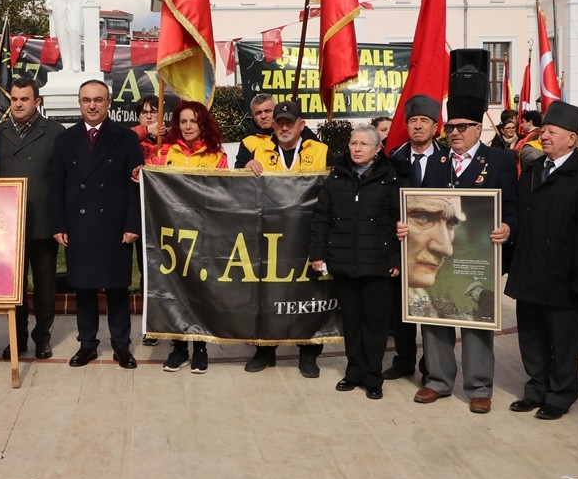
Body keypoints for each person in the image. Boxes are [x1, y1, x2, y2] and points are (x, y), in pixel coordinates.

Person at [407, 51, 517, 415]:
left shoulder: (499, 160)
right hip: (437, 253)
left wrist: (508, 227)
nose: (453, 133)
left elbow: (512, 206)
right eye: (450, 127)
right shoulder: (434, 161)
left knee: (476, 315)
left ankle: (479, 386)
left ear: (477, 129)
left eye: (462, 127)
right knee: (434, 312)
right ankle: (437, 380)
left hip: (478, 255)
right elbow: (416, 204)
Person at [505, 100, 578, 420]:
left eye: (551, 132)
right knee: (531, 335)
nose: (544, 136)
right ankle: (536, 388)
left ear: (572, 139)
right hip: (528, 268)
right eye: (543, 131)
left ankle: (561, 394)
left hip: (562, 275)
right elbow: (521, 217)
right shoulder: (533, 171)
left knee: (563, 341)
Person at [50, 79, 144, 369]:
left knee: (116, 288)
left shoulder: (126, 138)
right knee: (84, 288)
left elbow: (135, 187)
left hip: (115, 226)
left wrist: (133, 225)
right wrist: (58, 224)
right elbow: (57, 186)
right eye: (86, 100)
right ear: (80, 103)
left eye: (98, 100)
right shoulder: (65, 140)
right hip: (79, 225)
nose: (92, 105)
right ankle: (87, 344)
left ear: (109, 103)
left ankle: (121, 346)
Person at [310, 124, 400, 399]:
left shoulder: (391, 178)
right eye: (353, 143)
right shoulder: (336, 176)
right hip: (344, 261)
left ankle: (373, 377)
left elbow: (400, 222)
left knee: (375, 324)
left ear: (377, 149)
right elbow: (322, 217)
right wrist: (318, 253)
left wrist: (396, 256)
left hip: (378, 263)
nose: (357, 148)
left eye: (364, 144)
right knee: (351, 321)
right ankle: (354, 372)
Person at [241, 99, 329, 377]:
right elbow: (238, 191)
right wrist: (244, 171)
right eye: (279, 123)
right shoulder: (258, 150)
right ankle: (265, 350)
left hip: (308, 236)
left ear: (301, 125)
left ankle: (308, 353)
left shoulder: (322, 151)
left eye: (289, 122)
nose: (284, 127)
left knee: (310, 294)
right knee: (267, 293)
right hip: (269, 237)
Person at [144, 100, 226, 374]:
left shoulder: (216, 155)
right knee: (174, 290)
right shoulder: (164, 151)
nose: (188, 126)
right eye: (183, 121)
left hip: (204, 234)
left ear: (203, 124)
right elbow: (150, 182)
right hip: (171, 234)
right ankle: (179, 348)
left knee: (200, 291)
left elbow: (226, 192)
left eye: (193, 121)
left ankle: (200, 348)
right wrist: (141, 172)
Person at [0, 77, 65, 361]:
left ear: (37, 102)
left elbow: (62, 181)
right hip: (7, 223)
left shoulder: (56, 132)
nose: (18, 104)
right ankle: (17, 337)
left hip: (43, 222)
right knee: (14, 286)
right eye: (14, 99)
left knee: (45, 284)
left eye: (24, 99)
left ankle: (42, 337)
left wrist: (61, 222)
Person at [384, 95, 448, 380]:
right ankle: (404, 360)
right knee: (401, 311)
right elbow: (384, 204)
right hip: (402, 247)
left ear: (435, 127)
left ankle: (431, 366)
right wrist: (394, 225)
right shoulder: (393, 160)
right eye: (413, 121)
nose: (418, 126)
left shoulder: (447, 160)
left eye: (424, 121)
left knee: (433, 308)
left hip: (435, 250)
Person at [130, 98, 162, 346]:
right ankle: (148, 324)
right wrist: (145, 132)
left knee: (159, 270)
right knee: (143, 270)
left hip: (162, 214)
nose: (149, 116)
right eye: (144, 113)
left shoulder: (170, 141)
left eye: (154, 112)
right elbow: (117, 139)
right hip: (134, 212)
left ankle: (162, 323)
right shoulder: (131, 139)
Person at [233, 94, 276, 169]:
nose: (263, 116)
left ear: (276, 111)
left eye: (267, 111)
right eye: (258, 113)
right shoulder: (247, 143)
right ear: (253, 117)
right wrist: (246, 166)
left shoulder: (288, 135)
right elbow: (237, 174)